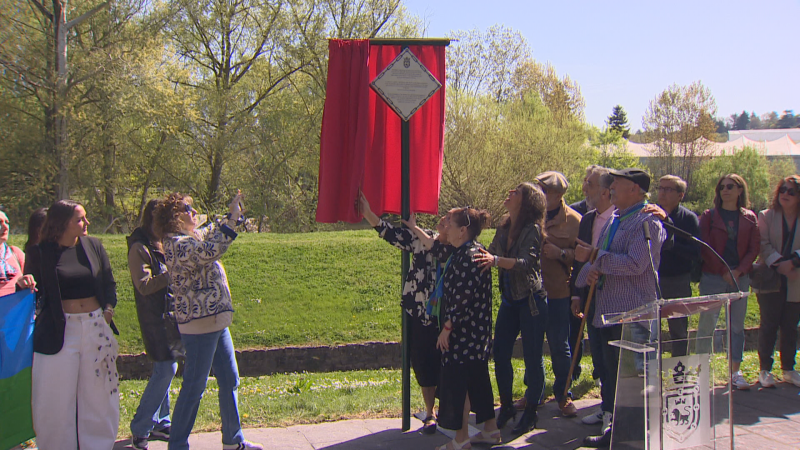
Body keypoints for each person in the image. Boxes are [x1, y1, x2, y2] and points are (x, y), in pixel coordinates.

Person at [155, 191, 262, 450]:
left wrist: (231, 214)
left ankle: (233, 440)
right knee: (194, 387)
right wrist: (233, 222)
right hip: (199, 323)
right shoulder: (176, 244)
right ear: (174, 218)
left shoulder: (191, 237)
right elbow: (210, 249)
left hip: (215, 321)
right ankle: (177, 444)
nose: (194, 213)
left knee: (229, 379)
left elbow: (211, 232)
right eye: (187, 210)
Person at [574, 168, 667, 448]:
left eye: (618, 183)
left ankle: (634, 435)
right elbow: (598, 259)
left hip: (632, 313)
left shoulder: (648, 222)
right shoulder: (615, 219)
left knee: (631, 379)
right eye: (612, 182)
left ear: (636, 190)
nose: (611, 187)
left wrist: (595, 257)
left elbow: (636, 264)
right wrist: (586, 273)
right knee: (610, 373)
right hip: (606, 310)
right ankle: (614, 427)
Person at [24, 200, 120, 449]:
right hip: (59, 331)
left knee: (99, 397)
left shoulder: (93, 246)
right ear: (62, 223)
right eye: (80, 219)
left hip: (96, 327)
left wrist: (107, 312)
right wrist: (25, 282)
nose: (86, 223)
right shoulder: (40, 252)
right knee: (53, 399)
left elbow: (109, 283)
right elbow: (33, 289)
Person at [358, 191, 447, 433]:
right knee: (421, 362)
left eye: (447, 221)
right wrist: (368, 214)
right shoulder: (422, 238)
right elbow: (392, 234)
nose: (442, 223)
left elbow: (435, 248)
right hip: (417, 313)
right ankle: (430, 412)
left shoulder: (456, 250)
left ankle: (449, 408)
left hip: (444, 317)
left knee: (445, 364)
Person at [420, 207, 499, 450]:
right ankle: (490, 429)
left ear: (462, 230)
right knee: (477, 380)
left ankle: (461, 438)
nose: (446, 226)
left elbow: (461, 298)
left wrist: (447, 327)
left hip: (464, 334)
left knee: (458, 385)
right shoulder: (471, 252)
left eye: (450, 223)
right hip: (477, 334)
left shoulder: (467, 257)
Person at [473, 182, 549, 435]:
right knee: (500, 353)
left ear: (527, 201)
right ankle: (506, 406)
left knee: (532, 357)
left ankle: (531, 412)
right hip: (509, 300)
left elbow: (526, 263)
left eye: (516, 192)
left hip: (530, 302)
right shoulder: (505, 227)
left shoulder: (533, 229)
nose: (509, 193)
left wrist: (495, 261)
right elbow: (489, 252)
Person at [129, 199, 184, 449]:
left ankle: (161, 422)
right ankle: (141, 427)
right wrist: (172, 273)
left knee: (163, 368)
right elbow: (144, 285)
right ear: (152, 218)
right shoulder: (139, 247)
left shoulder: (165, 243)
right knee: (166, 368)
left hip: (171, 315)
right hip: (154, 318)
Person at [696, 174, 759, 390]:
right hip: (713, 276)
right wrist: (723, 270)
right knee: (706, 325)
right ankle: (700, 372)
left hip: (740, 278)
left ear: (740, 190)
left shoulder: (750, 217)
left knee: (737, 327)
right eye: (721, 186)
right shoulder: (709, 216)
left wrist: (739, 270)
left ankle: (735, 372)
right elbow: (704, 246)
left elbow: (754, 248)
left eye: (730, 186)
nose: (725, 190)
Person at [569, 167, 614, 426]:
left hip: (613, 296)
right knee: (597, 351)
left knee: (610, 355)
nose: (585, 188)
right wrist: (576, 293)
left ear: (606, 191)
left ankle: (612, 409)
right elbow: (579, 260)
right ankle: (605, 406)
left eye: (590, 184)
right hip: (590, 294)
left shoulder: (618, 219)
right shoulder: (586, 219)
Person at [535, 171, 581, 418]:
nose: (541, 195)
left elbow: (583, 257)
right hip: (530, 292)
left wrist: (561, 254)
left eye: (545, 191)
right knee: (533, 346)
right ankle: (535, 393)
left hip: (558, 291)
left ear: (558, 194)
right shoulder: (530, 216)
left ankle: (564, 395)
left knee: (559, 344)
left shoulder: (575, 221)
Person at [755, 175, 800, 388]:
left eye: (791, 191)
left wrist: (794, 261)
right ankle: (765, 370)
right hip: (771, 278)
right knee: (769, 325)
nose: (785, 194)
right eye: (782, 189)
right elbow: (762, 244)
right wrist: (779, 262)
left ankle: (789, 370)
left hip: (796, 279)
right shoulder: (766, 215)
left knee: (790, 326)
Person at [654, 175, 700, 357]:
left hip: (677, 280)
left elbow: (695, 252)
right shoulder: (649, 214)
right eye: (661, 188)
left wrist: (670, 244)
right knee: (650, 329)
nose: (663, 193)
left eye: (668, 189)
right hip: (652, 278)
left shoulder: (688, 219)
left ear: (680, 195)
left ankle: (679, 371)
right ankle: (650, 370)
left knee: (679, 330)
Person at [1, 210, 36, 296]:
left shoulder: (15, 253)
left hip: (14, 308)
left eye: (7, 222)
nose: (5, 227)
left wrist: (26, 282)